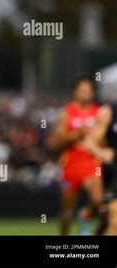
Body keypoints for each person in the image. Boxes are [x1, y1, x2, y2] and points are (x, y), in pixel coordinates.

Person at [49, 76, 102, 235]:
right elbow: (55, 144)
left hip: (91, 163)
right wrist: (74, 136)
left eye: (88, 90)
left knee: (98, 200)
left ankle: (85, 216)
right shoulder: (66, 113)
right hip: (70, 165)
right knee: (67, 211)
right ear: (75, 92)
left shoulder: (98, 112)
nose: (86, 93)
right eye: (82, 90)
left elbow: (105, 139)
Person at [82, 102, 117, 235]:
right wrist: (101, 153)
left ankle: (103, 224)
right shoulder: (108, 112)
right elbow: (90, 143)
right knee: (116, 225)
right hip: (114, 172)